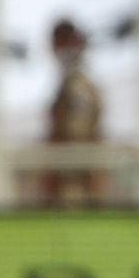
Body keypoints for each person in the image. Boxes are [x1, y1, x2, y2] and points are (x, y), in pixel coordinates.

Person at [44, 18, 103, 207]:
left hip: (75, 175)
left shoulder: (78, 84)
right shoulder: (70, 80)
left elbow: (79, 131)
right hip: (67, 170)